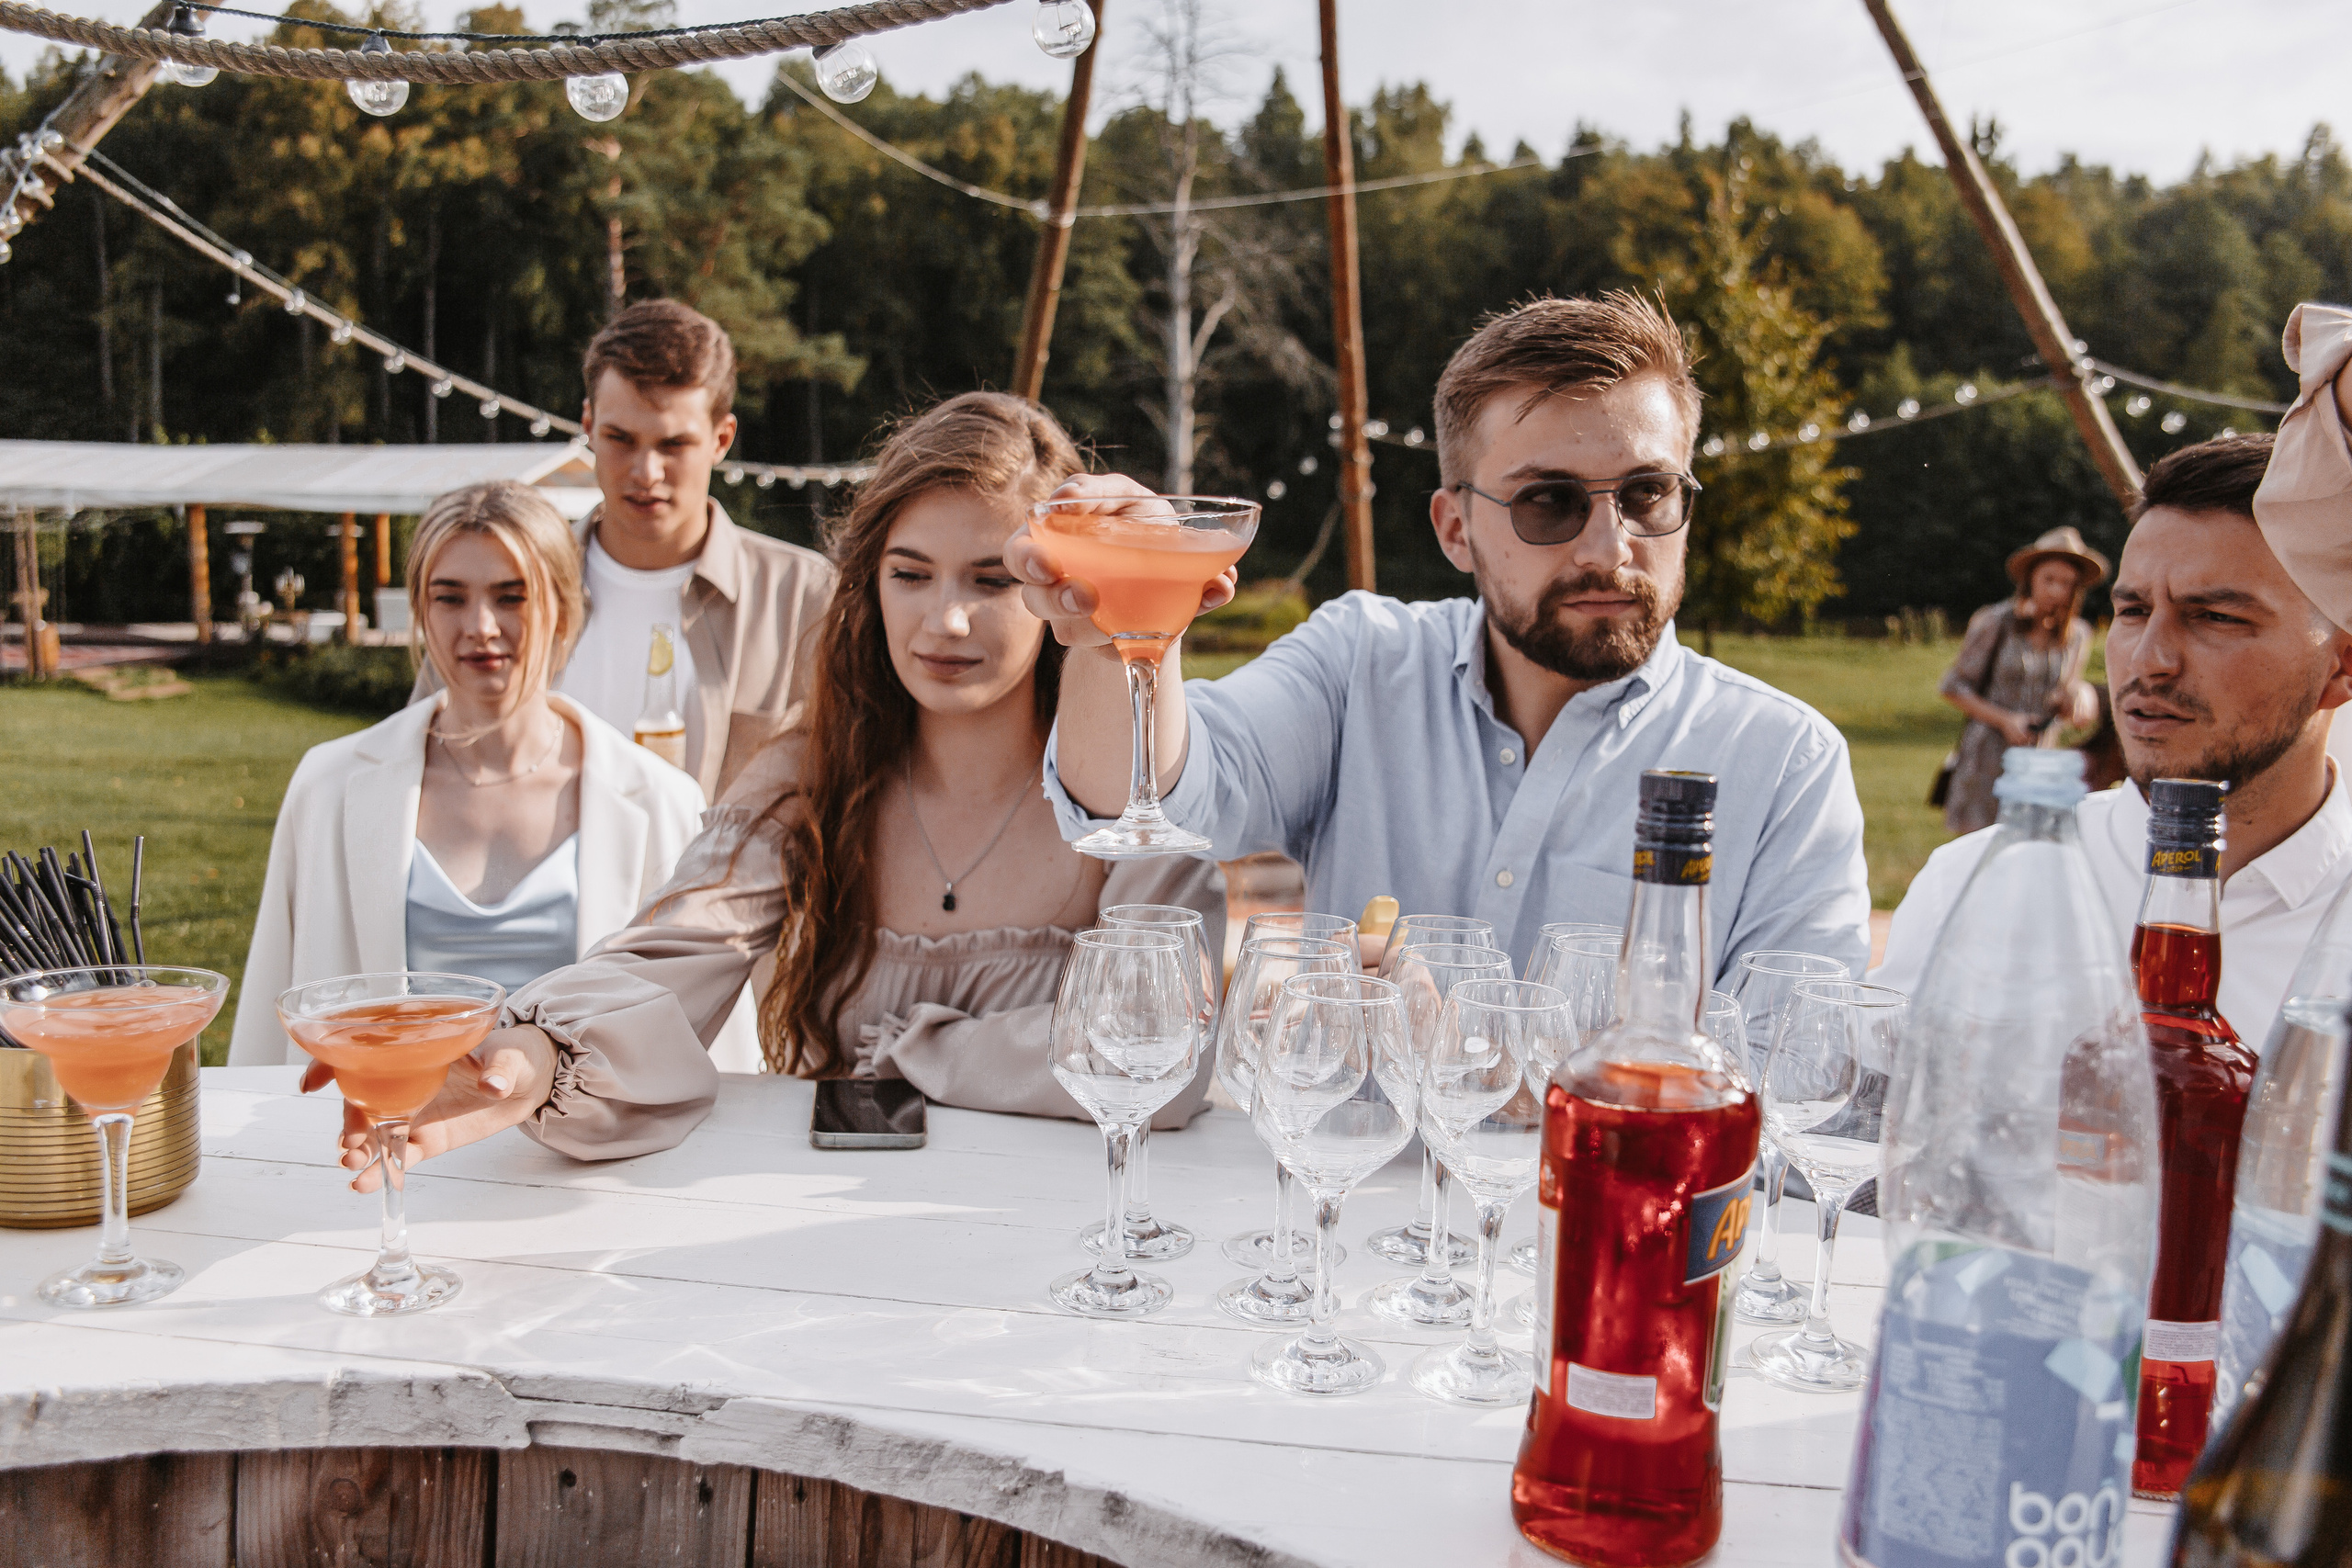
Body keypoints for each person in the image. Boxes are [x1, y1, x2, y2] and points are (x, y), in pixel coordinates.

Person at [313, 393, 1222, 1185]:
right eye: (910, 574)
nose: (946, 619)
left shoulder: (1134, 788)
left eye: (991, 580)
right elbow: (676, 951)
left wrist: (921, 1050)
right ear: (869, 584)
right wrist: (538, 1052)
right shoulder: (810, 775)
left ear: (1056, 586)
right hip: (838, 1239)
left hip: (1089, 1241)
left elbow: (1165, 1055)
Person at [1008, 292, 1871, 984]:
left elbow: (1794, 1081)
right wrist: (1102, 621)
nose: (1610, 547)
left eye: (1647, 494)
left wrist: (1492, 1055)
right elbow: (1151, 789)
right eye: (1549, 502)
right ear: (1454, 528)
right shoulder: (1363, 664)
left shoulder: (1783, 762)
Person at [1874, 433, 2352, 1047]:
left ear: (2342, 664)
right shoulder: (1974, 890)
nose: (2148, 660)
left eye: (2216, 616)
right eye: (2132, 611)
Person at [230, 481, 728, 1066]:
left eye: (511, 597)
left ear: (565, 610)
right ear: (420, 609)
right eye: (450, 598)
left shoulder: (661, 799)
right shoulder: (330, 787)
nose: (481, 626)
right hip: (381, 1142)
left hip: (589, 1154)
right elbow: (273, 1015)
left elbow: (710, 1042)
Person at [413, 299, 835, 804]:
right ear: (588, 425)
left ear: (722, 439)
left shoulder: (801, 597)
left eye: (673, 445)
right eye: (620, 439)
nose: (645, 472)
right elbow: (420, 758)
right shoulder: (502, 583)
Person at [1935, 526, 2104, 833]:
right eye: (2048, 579)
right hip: (1987, 757)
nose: (2056, 591)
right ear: (2031, 580)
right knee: (1979, 854)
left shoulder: (2078, 635)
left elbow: (2068, 691)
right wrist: (2005, 720)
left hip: (2037, 762)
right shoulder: (1996, 623)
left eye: (2066, 583)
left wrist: (2073, 702)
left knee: (2030, 854)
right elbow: (1952, 686)